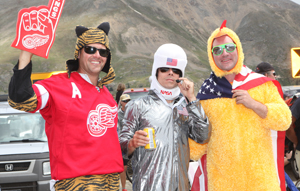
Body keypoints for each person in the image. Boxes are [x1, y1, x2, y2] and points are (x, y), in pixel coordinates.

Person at [8, 22, 123, 190]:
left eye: (103, 51)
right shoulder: (58, 85)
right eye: (90, 50)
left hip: (111, 183)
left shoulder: (106, 94)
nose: (97, 55)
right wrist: (26, 54)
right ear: (79, 53)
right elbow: (21, 98)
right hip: (77, 184)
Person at [189, 20, 291, 191]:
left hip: (261, 181)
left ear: (238, 49)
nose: (224, 54)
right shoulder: (206, 95)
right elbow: (197, 147)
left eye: (229, 47)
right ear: (211, 56)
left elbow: (284, 120)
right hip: (223, 183)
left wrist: (255, 105)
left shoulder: (261, 84)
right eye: (217, 50)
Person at [119, 43, 210, 191]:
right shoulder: (137, 106)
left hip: (180, 186)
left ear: (181, 76)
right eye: (164, 69)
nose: (170, 73)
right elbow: (120, 149)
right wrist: (131, 143)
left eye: (176, 70)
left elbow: (203, 137)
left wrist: (192, 98)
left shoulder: (185, 106)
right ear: (156, 72)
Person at [256, 61, 287, 191]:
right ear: (266, 75)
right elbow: (284, 120)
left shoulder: (252, 91)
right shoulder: (271, 89)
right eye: (274, 74)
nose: (275, 77)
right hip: (269, 142)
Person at [117, 94, 131, 191]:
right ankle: (124, 187)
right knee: (124, 166)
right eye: (125, 101)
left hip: (134, 141)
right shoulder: (117, 114)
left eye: (129, 101)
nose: (127, 103)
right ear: (121, 102)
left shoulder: (133, 111)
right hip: (123, 143)